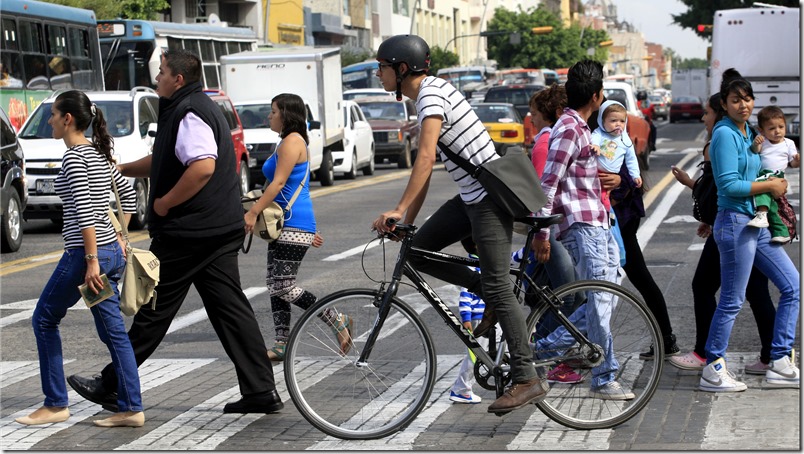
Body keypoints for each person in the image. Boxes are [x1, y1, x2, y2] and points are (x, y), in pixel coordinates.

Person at [67, 48, 284, 414]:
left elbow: (201, 167)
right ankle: (261, 391)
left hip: (190, 233)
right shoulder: (189, 107)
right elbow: (165, 159)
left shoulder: (188, 112)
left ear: (177, 79)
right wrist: (119, 167)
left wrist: (164, 203)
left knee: (153, 309)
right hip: (214, 230)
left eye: (162, 72)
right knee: (230, 311)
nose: (157, 79)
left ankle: (112, 384)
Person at [370, 34, 550, 415]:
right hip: (470, 199)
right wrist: (408, 222)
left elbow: (425, 158)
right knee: (416, 251)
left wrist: (400, 208)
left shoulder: (431, 97)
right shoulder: (428, 94)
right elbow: (430, 168)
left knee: (501, 285)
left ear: (402, 69)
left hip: (488, 200)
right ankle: (485, 290)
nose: (379, 74)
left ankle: (526, 377)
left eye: (382, 67)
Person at [15, 91, 144, 427]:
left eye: (54, 115)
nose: (52, 121)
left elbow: (86, 212)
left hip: (86, 256)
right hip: (111, 253)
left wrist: (90, 260)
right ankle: (131, 408)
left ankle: (56, 404)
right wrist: (119, 234)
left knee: (44, 319)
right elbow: (127, 195)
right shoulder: (98, 155)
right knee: (113, 332)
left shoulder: (74, 157)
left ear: (68, 119)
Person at [532, 59, 634, 400]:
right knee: (601, 298)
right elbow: (549, 183)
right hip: (581, 226)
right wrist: (542, 233)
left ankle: (545, 347)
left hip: (598, 222)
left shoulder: (580, 129)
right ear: (597, 95)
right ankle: (604, 377)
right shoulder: (569, 129)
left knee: (607, 292)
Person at [701, 68, 799, 392]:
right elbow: (728, 183)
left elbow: (754, 167)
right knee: (732, 299)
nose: (742, 104)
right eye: (735, 100)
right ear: (725, 104)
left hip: (756, 223)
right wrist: (769, 184)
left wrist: (770, 178)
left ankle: (780, 361)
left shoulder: (746, 134)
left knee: (792, 285)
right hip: (735, 223)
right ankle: (713, 367)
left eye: (747, 99)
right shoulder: (725, 134)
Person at [669, 93, 777, 373]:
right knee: (758, 291)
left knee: (710, 289)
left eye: (707, 113)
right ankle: (774, 355)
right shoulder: (746, 136)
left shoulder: (720, 141)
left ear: (719, 112)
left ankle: (708, 355)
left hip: (731, 224)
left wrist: (705, 208)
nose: (703, 118)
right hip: (743, 220)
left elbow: (721, 187)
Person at [244, 93, 352, 361]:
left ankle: (337, 320)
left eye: (273, 111)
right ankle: (281, 343)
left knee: (282, 285)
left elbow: (279, 184)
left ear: (286, 115)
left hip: (293, 223)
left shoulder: (292, 141)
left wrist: (254, 211)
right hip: (287, 223)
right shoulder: (287, 141)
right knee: (275, 284)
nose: (269, 116)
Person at [607, 106, 680, 361]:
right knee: (634, 280)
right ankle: (666, 338)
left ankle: (666, 338)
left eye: (619, 121)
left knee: (637, 279)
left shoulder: (616, 149)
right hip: (622, 224)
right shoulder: (614, 146)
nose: (616, 125)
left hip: (621, 225)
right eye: (612, 121)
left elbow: (624, 188)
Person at [746, 105, 800, 243]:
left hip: (776, 175)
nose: (777, 131)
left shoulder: (788, 143)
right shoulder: (763, 141)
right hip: (762, 174)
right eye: (772, 128)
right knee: (774, 207)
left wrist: (797, 161)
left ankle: (761, 214)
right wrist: (756, 144)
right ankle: (781, 232)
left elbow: (792, 164)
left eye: (781, 127)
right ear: (761, 130)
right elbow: (755, 151)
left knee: (763, 191)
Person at [447, 238, 487, 404]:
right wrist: (466, 318)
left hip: (486, 316)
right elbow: (465, 294)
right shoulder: (473, 265)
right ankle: (461, 389)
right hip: (479, 318)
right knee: (475, 356)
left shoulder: (482, 261)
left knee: (498, 350)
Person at [590, 100, 642, 211]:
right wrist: (595, 145)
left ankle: (607, 215)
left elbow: (631, 159)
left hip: (613, 175)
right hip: (596, 173)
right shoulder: (599, 133)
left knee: (605, 198)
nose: (618, 124)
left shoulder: (625, 139)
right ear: (602, 122)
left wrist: (635, 175)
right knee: (597, 197)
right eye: (613, 121)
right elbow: (594, 138)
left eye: (622, 121)